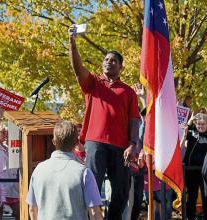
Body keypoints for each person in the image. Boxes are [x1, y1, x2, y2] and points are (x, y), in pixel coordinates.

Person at [69, 25, 141, 219]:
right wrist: (72, 43)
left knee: (122, 191)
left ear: (121, 66)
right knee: (91, 186)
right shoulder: (93, 83)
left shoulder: (128, 91)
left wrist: (133, 144)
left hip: (121, 147)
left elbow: (135, 119)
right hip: (95, 142)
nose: (109, 63)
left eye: (114, 60)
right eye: (106, 60)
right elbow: (78, 69)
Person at [26, 121, 103, 220]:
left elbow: (32, 209)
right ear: (76, 142)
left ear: (54, 141)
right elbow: (95, 213)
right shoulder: (84, 173)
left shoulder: (38, 170)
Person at [181, 113, 207, 220]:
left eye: (203, 124)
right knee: (192, 197)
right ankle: (190, 217)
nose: (200, 126)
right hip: (191, 171)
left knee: (206, 197)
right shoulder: (190, 134)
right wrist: (185, 133)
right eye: (198, 124)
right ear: (195, 124)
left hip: (204, 172)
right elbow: (181, 146)